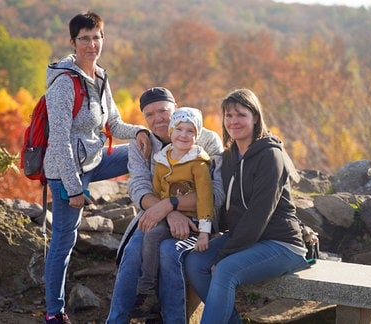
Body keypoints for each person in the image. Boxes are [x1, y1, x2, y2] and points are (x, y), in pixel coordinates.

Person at [42, 11, 151, 324]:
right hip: (65, 170)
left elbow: (113, 123)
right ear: (73, 42)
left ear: (103, 39)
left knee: (146, 149)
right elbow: (60, 141)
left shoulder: (101, 77)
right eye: (84, 38)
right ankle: (54, 312)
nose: (91, 44)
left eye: (96, 37)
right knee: (65, 239)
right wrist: (74, 188)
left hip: (95, 158)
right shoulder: (63, 84)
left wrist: (141, 133)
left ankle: (156, 212)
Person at [184, 88, 309, 324]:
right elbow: (224, 206)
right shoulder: (230, 157)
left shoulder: (270, 156)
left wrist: (224, 254)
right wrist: (203, 229)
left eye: (240, 115)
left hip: (282, 244)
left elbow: (258, 215)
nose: (233, 121)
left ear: (255, 117)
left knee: (225, 269)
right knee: (195, 261)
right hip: (247, 239)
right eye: (228, 116)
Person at [106, 87, 225, 324]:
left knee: (169, 252)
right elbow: (138, 187)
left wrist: (170, 205)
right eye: (149, 115)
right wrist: (167, 213)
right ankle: (116, 320)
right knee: (133, 250)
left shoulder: (207, 140)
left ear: (176, 108)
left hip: (200, 220)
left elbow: (216, 194)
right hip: (156, 218)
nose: (158, 118)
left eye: (163, 110)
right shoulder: (141, 143)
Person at [130, 107, 215, 318]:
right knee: (146, 233)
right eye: (179, 129)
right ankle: (147, 289)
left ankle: (148, 290)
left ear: (197, 136)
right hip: (170, 218)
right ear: (170, 131)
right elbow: (158, 192)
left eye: (190, 131)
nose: (184, 135)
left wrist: (205, 232)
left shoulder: (199, 164)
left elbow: (205, 199)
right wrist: (164, 212)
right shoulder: (161, 160)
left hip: (194, 220)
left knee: (156, 238)